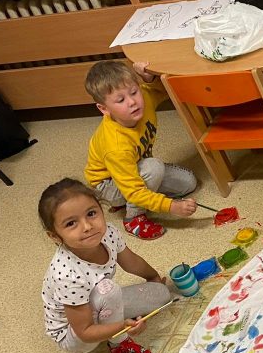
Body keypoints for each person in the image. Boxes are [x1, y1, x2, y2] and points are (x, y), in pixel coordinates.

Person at [39, 178, 172, 353]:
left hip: (98, 302)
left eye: (91, 213)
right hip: (73, 334)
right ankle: (120, 344)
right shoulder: (67, 274)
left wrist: (153, 277)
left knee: (162, 294)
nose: (87, 226)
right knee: (108, 289)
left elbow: (131, 262)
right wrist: (122, 327)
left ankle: (110, 319)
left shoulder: (108, 233)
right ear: (54, 236)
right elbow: (84, 331)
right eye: (71, 223)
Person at [83, 60, 197, 240]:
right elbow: (134, 191)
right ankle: (134, 217)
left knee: (188, 182)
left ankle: (139, 195)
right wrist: (171, 207)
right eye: (120, 100)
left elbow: (165, 90)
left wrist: (149, 78)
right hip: (109, 184)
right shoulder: (115, 146)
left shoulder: (143, 99)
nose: (132, 102)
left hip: (136, 166)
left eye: (134, 92)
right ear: (104, 109)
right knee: (153, 168)